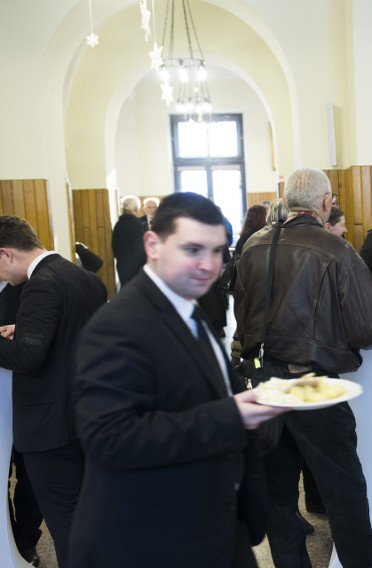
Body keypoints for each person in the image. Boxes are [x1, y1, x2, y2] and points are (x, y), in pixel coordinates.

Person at [70, 193, 288, 567]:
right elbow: (111, 438)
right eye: (192, 249)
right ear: (152, 244)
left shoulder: (188, 306)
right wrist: (230, 415)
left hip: (210, 525)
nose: (209, 265)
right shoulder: (117, 326)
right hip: (150, 539)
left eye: (218, 251)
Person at [234, 168, 372, 568]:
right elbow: (369, 329)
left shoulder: (253, 245)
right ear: (326, 202)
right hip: (311, 383)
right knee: (343, 488)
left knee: (278, 493)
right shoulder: (335, 249)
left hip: (262, 380)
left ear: (287, 202)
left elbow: (243, 315)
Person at [0, 216, 107, 568]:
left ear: (6, 254)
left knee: (67, 525)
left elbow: (29, 357)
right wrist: (25, 327)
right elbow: (73, 337)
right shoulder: (86, 279)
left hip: (51, 428)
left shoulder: (39, 285)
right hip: (84, 417)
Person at [0, 280, 42, 567]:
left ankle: (26, 539)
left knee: (33, 477)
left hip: (29, 396)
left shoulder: (30, 286)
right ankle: (9, 539)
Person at [111, 195, 146, 286]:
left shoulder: (119, 224)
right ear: (136, 208)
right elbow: (140, 249)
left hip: (122, 265)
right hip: (136, 269)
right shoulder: (136, 223)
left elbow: (115, 247)